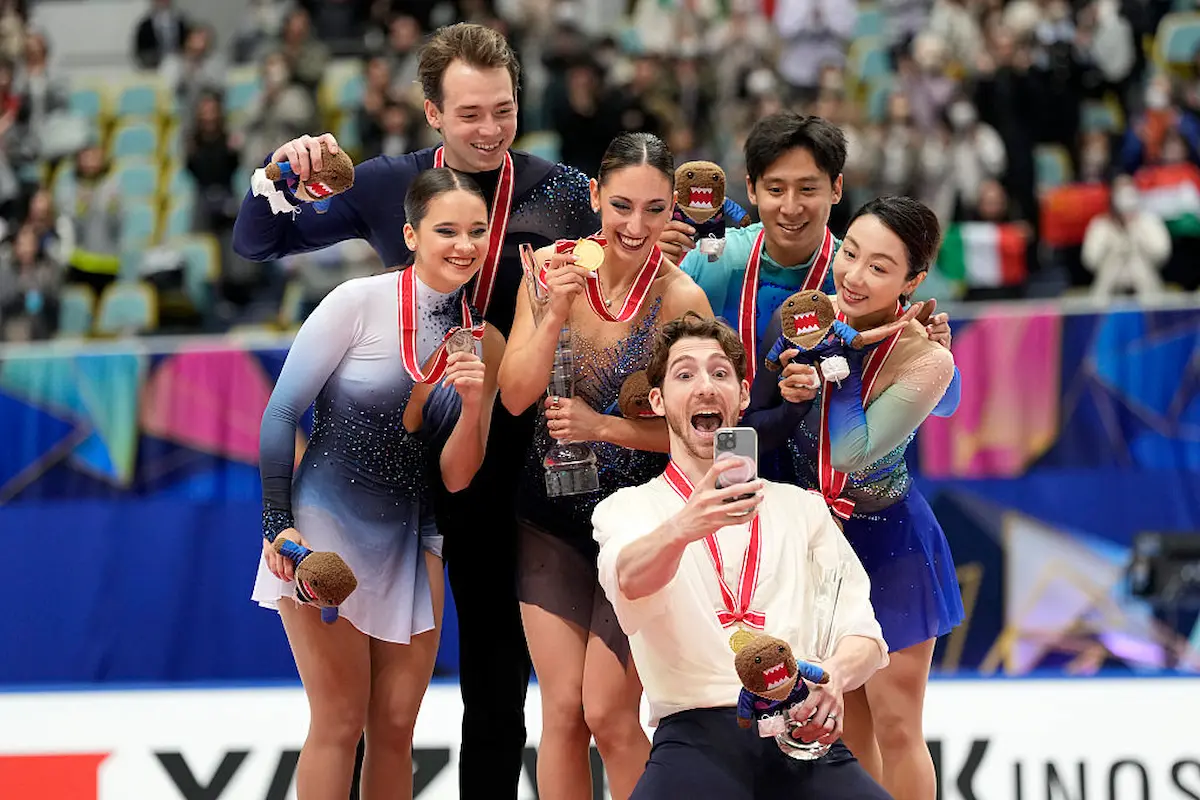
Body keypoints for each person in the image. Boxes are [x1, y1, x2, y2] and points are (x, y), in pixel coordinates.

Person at [233, 23, 599, 796]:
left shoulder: (563, 192)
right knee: (362, 706)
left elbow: (652, 231)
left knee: (498, 681)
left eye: (503, 110)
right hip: (397, 474)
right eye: (470, 114)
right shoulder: (383, 185)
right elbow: (258, 244)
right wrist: (276, 175)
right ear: (432, 113)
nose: (490, 129)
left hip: (510, 464)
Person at [252, 168, 504, 799]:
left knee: (395, 727)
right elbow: (281, 413)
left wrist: (474, 407)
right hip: (324, 526)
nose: (463, 244)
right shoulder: (356, 303)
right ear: (410, 234)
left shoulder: (481, 340)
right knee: (338, 720)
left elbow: (458, 474)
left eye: (476, 231)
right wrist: (277, 526)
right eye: (446, 229)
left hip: (417, 534)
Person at [591, 312, 893, 799]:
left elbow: (862, 632)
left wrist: (832, 679)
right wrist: (688, 524)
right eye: (684, 374)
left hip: (799, 728)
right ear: (658, 400)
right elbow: (629, 580)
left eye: (720, 373)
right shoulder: (630, 509)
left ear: (744, 395)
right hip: (695, 737)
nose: (705, 386)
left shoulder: (802, 508)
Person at [497, 132, 713, 800]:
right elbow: (513, 394)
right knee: (560, 714)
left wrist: (604, 428)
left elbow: (704, 439)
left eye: (654, 210)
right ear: (594, 196)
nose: (635, 226)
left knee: (611, 715)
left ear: (675, 208)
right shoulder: (550, 271)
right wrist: (554, 308)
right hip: (548, 520)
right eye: (621, 205)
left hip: (638, 529)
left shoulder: (680, 301)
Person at [748, 196, 964, 800]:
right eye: (850, 254)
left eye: (880, 267)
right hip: (815, 543)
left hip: (887, 542)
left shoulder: (925, 355)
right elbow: (760, 415)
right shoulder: (802, 320)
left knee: (896, 724)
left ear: (912, 281)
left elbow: (850, 452)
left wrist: (836, 364)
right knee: (847, 726)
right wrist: (791, 387)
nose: (853, 276)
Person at [662, 113, 958, 479]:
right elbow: (653, 363)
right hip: (716, 464)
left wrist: (939, 352)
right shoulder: (713, 261)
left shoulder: (857, 277)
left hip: (825, 486)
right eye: (775, 190)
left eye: (807, 189)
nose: (790, 207)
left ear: (836, 188)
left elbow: (942, 404)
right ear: (751, 189)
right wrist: (655, 271)